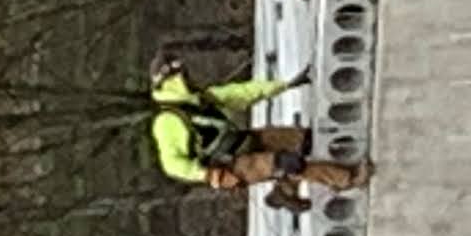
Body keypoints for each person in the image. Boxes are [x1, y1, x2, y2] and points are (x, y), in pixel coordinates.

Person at [148, 53, 368, 203]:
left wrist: (285, 85)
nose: (188, 78)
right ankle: (347, 178)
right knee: (288, 163)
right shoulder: (167, 122)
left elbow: (243, 92)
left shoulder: (202, 98)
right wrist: (209, 175)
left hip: (242, 140)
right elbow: (172, 164)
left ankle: (284, 191)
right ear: (171, 83)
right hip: (230, 166)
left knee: (302, 140)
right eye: (182, 76)